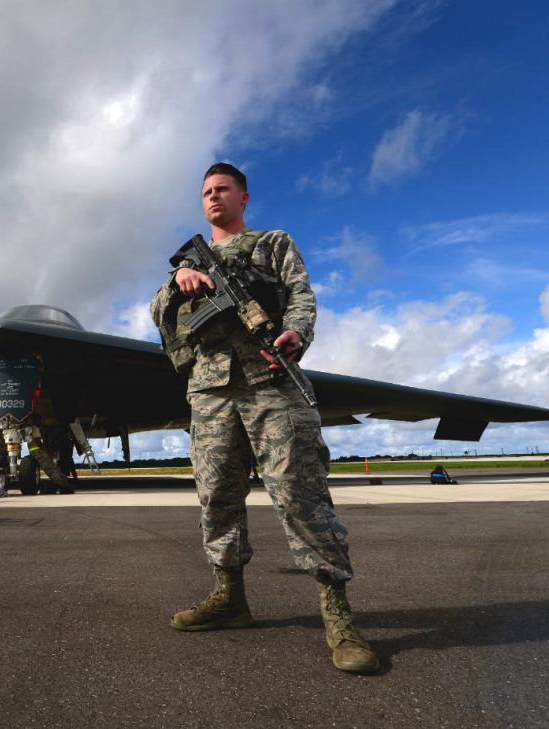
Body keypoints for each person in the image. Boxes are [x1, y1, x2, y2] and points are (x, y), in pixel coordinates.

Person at [149, 162, 379, 674]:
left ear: (243, 197)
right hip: (210, 393)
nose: (213, 197)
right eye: (206, 192)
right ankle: (229, 600)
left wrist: (297, 332)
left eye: (222, 189)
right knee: (216, 499)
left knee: (299, 494)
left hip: (270, 381)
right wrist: (178, 281)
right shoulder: (185, 267)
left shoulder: (272, 243)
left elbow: (301, 293)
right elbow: (159, 313)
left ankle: (338, 616)